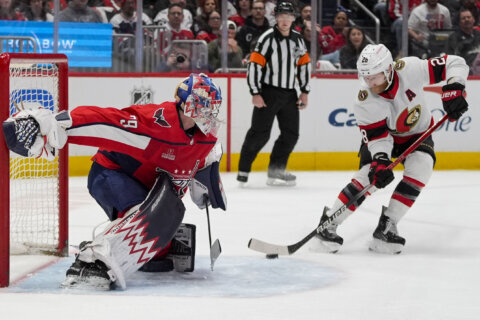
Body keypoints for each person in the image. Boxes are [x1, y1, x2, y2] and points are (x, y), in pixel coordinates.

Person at [2, 73, 226, 290]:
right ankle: (91, 262)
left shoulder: (205, 140)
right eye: (206, 106)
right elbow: (105, 122)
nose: (211, 113)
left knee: (163, 223)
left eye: (213, 107)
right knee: (149, 216)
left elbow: (199, 165)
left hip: (150, 189)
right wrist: (53, 124)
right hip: (110, 174)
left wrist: (206, 192)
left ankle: (150, 241)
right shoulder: (156, 125)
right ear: (190, 105)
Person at [314, 44, 469, 254]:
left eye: (374, 77)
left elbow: (455, 62)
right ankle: (329, 221)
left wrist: (455, 87)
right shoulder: (364, 99)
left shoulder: (410, 69)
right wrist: (380, 160)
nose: (369, 82)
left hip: (417, 134)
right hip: (384, 139)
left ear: (388, 69)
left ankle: (387, 225)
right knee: (369, 177)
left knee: (422, 166)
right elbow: (378, 137)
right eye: (365, 77)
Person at [237, 2, 311, 186]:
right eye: (281, 16)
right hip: (268, 92)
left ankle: (276, 170)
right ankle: (243, 170)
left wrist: (304, 91)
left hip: (289, 94)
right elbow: (254, 65)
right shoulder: (267, 38)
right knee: (260, 134)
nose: (285, 20)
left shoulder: (298, 39)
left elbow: (304, 65)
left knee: (291, 134)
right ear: (276, 18)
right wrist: (255, 92)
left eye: (288, 16)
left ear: (294, 18)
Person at [444, 8, 480, 74]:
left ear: (473, 19)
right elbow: (450, 58)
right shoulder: (453, 38)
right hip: (463, 71)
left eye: (469, 17)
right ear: (459, 22)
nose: (467, 19)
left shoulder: (479, 34)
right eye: (463, 18)